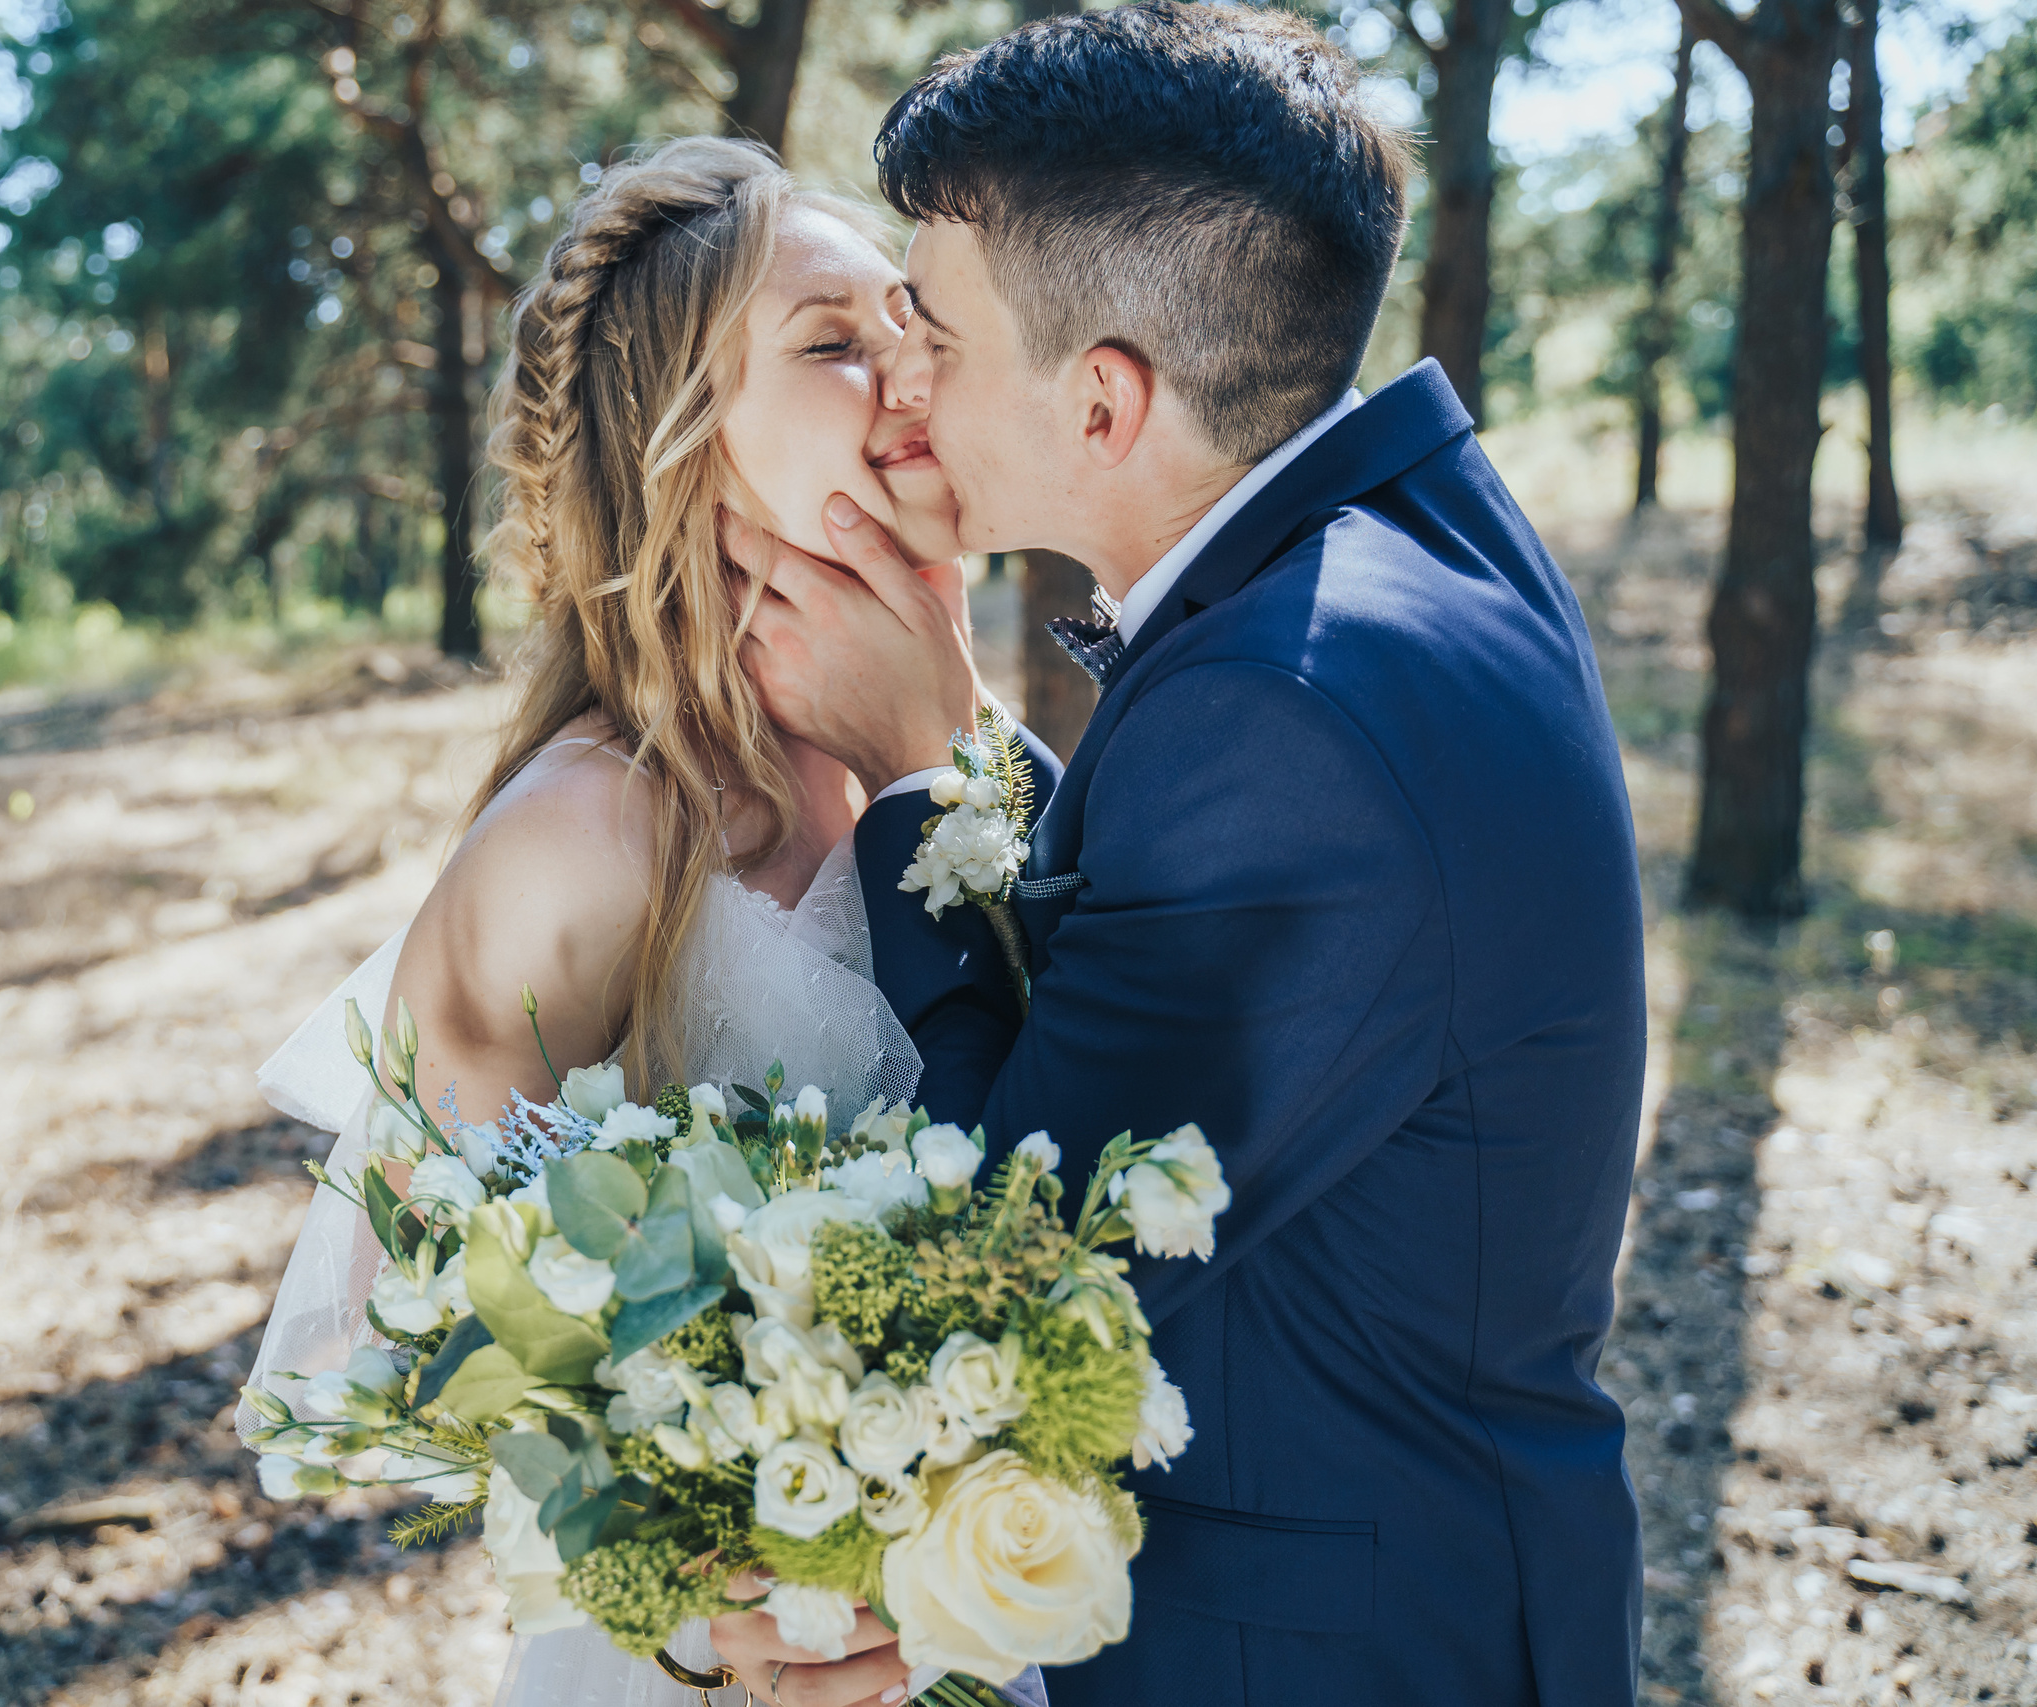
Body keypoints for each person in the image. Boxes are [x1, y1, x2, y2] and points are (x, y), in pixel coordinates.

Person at [727, 6, 1651, 1706]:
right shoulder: (1398, 544)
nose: (899, 386)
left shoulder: (1295, 707)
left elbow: (1020, 1251)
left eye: (931, 330)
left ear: (1101, 403)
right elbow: (1191, 969)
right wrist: (970, 749)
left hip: (1337, 1652)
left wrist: (918, 780)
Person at [237, 135, 1053, 1707]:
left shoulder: (953, 745)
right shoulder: (582, 843)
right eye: (831, 344)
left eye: (910, 326)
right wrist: (695, 1606)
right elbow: (401, 1332)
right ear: (678, 447)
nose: (909, 375)